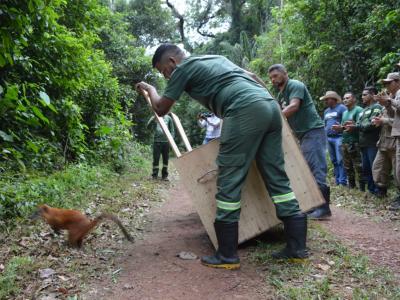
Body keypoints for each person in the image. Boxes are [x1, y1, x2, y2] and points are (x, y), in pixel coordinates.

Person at [136, 44, 308, 270]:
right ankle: (297, 248)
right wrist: (272, 104)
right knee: (276, 175)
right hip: (269, 107)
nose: (166, 76)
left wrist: (150, 88)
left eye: (163, 71)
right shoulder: (214, 58)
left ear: (172, 62)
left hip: (243, 109)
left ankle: (227, 254)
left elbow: (160, 108)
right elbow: (253, 76)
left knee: (229, 177)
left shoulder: (183, 69)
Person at [268, 64, 331, 219]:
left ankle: (324, 209)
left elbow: (294, 107)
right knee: (308, 168)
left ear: (285, 73)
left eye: (275, 76)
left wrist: (272, 119)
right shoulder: (281, 94)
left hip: (313, 131)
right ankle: (315, 205)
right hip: (303, 135)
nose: (273, 80)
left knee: (316, 168)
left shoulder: (295, 85)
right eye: (271, 78)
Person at [344, 87, 382, 195]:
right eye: (362, 95)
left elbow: (371, 124)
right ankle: (371, 190)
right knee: (366, 168)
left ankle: (379, 190)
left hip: (372, 143)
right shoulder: (364, 110)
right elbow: (359, 124)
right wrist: (354, 126)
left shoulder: (377, 107)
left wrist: (356, 126)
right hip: (363, 144)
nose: (362, 97)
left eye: (365, 95)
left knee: (375, 168)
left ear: (372, 95)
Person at [375, 72, 400, 210]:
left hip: (394, 139)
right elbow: (394, 116)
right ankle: (381, 191)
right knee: (380, 168)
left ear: (397, 82)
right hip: (388, 139)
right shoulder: (393, 96)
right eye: (385, 84)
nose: (386, 86)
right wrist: (386, 103)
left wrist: (389, 102)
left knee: (398, 170)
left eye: (388, 83)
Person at [332, 92, 364, 190]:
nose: (345, 100)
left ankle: (362, 187)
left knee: (358, 165)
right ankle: (352, 185)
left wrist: (352, 127)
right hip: (345, 141)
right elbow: (344, 127)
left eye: (348, 98)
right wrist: (339, 128)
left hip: (355, 141)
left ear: (354, 99)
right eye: (344, 98)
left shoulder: (358, 110)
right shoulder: (345, 112)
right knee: (347, 166)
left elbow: (361, 125)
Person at [320, 91, 348, 186]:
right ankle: (337, 180)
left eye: (327, 99)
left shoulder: (342, 108)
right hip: (329, 138)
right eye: (325, 100)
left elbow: (346, 121)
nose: (326, 101)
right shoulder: (326, 111)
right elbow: (325, 124)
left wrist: (341, 127)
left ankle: (343, 181)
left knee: (341, 159)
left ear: (333, 99)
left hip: (339, 137)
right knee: (334, 160)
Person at [371, 100, 396, 198]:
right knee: (378, 168)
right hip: (383, 143)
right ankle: (382, 191)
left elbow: (397, 123)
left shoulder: (396, 105)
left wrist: (384, 120)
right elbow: (381, 121)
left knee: (397, 171)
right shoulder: (383, 108)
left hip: (395, 143)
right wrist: (377, 121)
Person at [147, 114, 175, 180]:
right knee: (156, 159)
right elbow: (148, 127)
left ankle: (164, 176)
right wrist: (153, 120)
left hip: (166, 142)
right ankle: (154, 175)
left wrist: (171, 139)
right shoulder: (154, 117)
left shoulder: (168, 118)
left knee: (166, 159)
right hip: (157, 141)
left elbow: (172, 130)